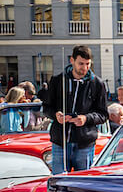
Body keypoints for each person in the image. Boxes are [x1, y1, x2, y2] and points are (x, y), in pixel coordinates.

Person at [39, 45, 109, 174]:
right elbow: (46, 107)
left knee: (83, 183)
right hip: (60, 141)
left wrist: (86, 118)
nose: (85, 68)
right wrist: (56, 115)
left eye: (88, 64)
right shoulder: (57, 81)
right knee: (59, 183)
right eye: (81, 63)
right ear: (72, 60)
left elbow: (103, 114)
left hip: (85, 143)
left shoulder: (97, 84)